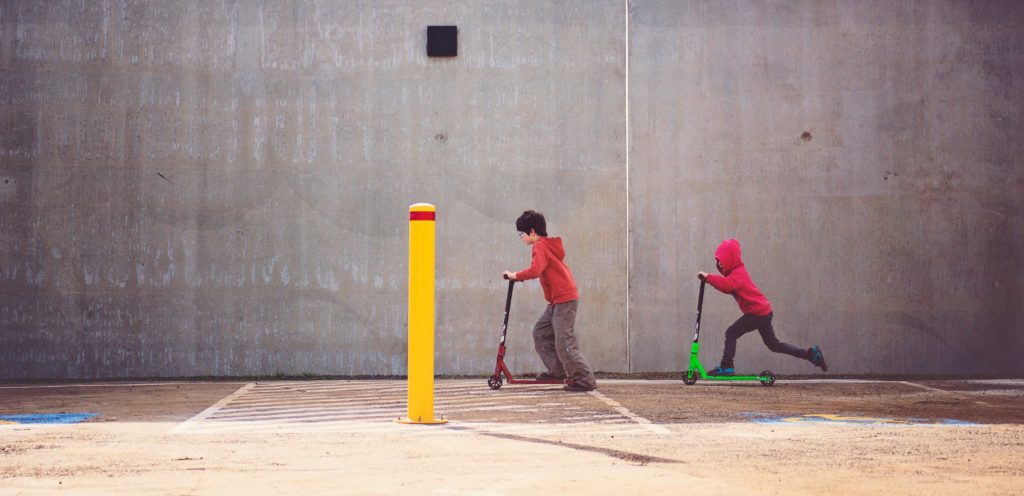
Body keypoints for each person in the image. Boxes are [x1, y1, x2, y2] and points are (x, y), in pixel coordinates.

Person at [697, 238, 828, 375]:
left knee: (731, 332)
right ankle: (810, 354)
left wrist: (708, 277)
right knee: (774, 345)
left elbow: (727, 285)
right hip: (763, 312)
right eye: (718, 262)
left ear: (731, 258)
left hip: (757, 313)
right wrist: (708, 280)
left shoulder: (739, 273)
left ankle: (726, 366)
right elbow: (726, 287)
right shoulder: (735, 275)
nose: (720, 265)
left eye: (722, 261)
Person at [503, 210, 598, 392]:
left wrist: (514, 275)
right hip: (556, 301)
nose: (520, 237)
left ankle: (585, 380)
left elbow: (535, 269)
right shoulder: (546, 245)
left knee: (564, 342)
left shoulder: (540, 246)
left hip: (564, 300)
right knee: (541, 332)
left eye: (521, 234)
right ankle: (557, 371)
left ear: (531, 232)